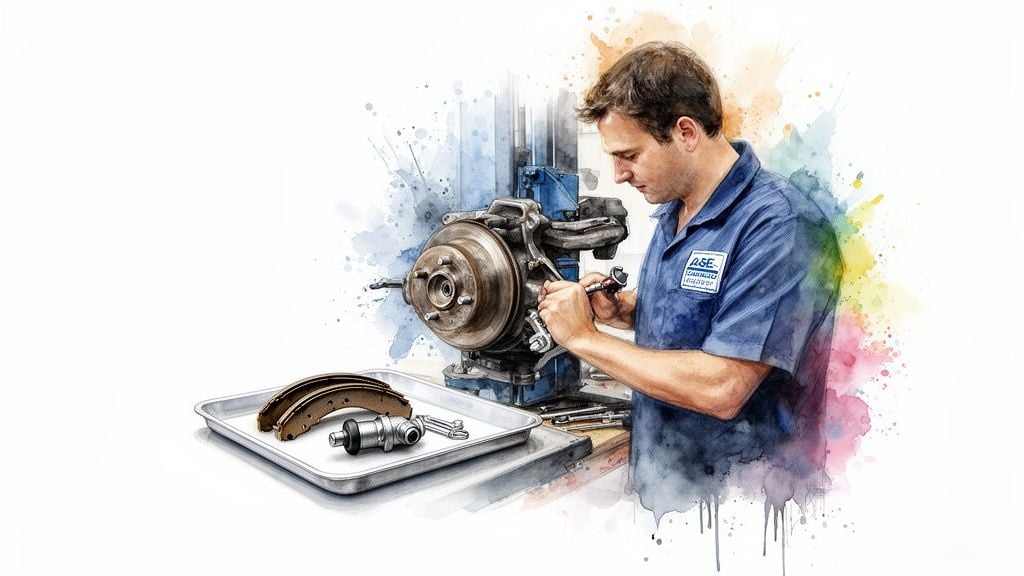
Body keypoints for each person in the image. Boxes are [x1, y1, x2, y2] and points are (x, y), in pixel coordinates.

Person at [537, 41, 843, 518]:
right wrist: (628, 309)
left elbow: (722, 387)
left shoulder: (782, 225)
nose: (619, 175)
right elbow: (710, 313)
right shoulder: (676, 210)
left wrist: (585, 339)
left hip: (748, 510)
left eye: (630, 155)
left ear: (685, 132)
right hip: (666, 489)